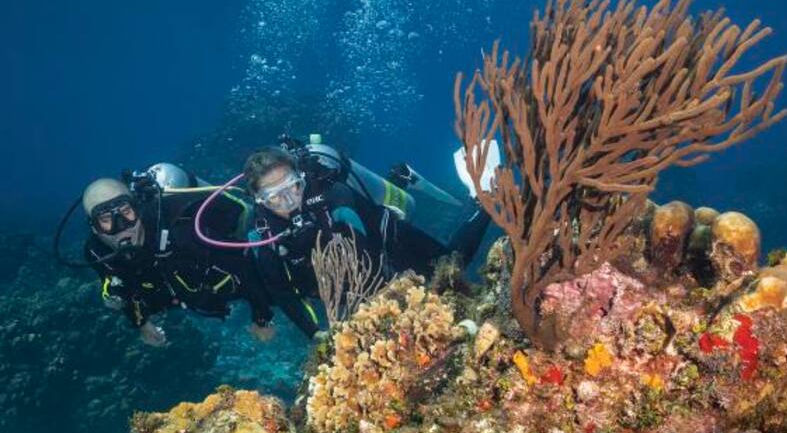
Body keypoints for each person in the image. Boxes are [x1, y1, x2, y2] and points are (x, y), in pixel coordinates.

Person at [243, 135, 492, 321]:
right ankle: (400, 179)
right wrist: (317, 336)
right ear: (258, 198)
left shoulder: (331, 194)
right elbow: (282, 293)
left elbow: (366, 258)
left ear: (301, 178)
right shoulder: (261, 232)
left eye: (292, 186)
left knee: (449, 268)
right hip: (343, 287)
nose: (288, 201)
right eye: (274, 196)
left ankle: (486, 200)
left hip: (379, 237)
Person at [82, 164, 282, 346]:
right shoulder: (96, 252)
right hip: (176, 291)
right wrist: (141, 324)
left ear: (138, 209)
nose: (121, 226)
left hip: (213, 279)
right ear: (94, 227)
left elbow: (243, 263)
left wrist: (262, 317)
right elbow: (119, 285)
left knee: (276, 284)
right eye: (106, 219)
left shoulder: (181, 231)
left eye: (126, 212)